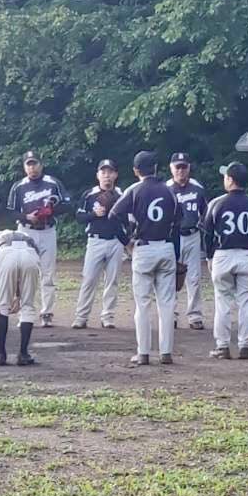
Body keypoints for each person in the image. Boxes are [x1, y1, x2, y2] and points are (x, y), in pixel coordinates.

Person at [111, 151, 180, 366]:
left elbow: (113, 215)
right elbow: (177, 225)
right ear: (157, 168)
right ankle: (166, 352)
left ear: (135, 170)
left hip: (144, 247)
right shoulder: (170, 192)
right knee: (167, 303)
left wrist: (126, 241)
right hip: (166, 247)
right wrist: (176, 256)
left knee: (142, 304)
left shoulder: (134, 190)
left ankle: (143, 353)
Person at [201, 162, 248, 359]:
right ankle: (245, 345)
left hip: (223, 255)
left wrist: (208, 256)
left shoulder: (217, 203)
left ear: (230, 180)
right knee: (246, 301)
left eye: (226, 176)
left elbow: (207, 234)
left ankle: (222, 346)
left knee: (222, 301)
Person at [6, 151, 71, 326]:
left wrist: (51, 211)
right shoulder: (19, 186)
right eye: (28, 164)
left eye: (34, 163)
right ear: (24, 167)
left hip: (47, 231)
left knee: (48, 273)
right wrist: (26, 217)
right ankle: (25, 312)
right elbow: (10, 212)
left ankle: (47, 313)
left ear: (41, 165)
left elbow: (67, 203)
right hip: (26, 231)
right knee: (24, 272)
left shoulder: (52, 183)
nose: (32, 167)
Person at [70, 159, 129, 329]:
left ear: (115, 175)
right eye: (103, 172)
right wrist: (93, 214)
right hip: (95, 240)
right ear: (98, 175)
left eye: (110, 172)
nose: (107, 175)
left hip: (115, 241)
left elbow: (128, 220)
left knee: (112, 281)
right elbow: (79, 217)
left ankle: (108, 316)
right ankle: (81, 316)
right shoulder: (90, 195)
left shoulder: (121, 195)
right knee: (89, 280)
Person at [0, 228, 41, 365]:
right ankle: (23, 353)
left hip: (6, 253)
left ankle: (1, 354)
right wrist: (19, 296)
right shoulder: (27, 237)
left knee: (3, 306)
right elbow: (27, 265)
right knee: (27, 306)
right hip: (30, 254)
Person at [167, 152, 208, 330]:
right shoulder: (166, 188)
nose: (181, 171)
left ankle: (195, 315)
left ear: (189, 168)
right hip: (173, 237)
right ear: (171, 168)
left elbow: (206, 213)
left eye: (184, 167)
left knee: (194, 278)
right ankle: (171, 314)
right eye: (178, 167)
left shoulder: (197, 188)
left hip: (192, 235)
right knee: (170, 277)